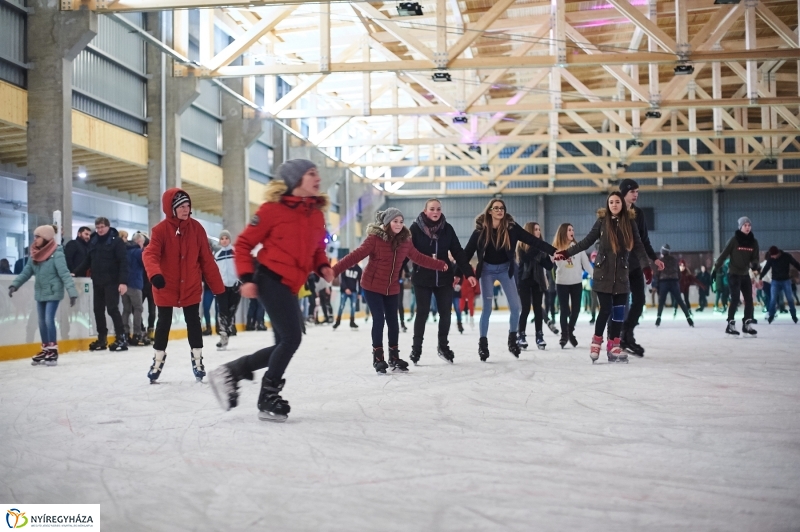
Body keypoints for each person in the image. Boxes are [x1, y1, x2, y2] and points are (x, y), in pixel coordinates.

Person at [209, 159, 334, 422]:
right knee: (292, 338)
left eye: (317, 173)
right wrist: (246, 278)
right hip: (269, 280)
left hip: (290, 285)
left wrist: (322, 266)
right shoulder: (271, 210)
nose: (317, 178)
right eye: (311, 173)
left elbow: (317, 250)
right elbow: (243, 245)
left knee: (283, 344)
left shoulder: (316, 214)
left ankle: (232, 371)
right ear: (296, 179)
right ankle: (268, 395)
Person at [333, 208, 447, 373]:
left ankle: (394, 357)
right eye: (395, 221)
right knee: (379, 319)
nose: (399, 224)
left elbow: (419, 257)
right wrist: (335, 270)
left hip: (392, 287)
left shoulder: (405, 242)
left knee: (393, 322)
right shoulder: (374, 239)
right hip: (372, 286)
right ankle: (378, 357)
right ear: (387, 222)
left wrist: (438, 264)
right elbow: (355, 256)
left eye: (401, 221)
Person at [554, 192, 657, 363]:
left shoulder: (630, 223)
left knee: (618, 313)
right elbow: (586, 242)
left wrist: (646, 267)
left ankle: (614, 345)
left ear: (622, 205)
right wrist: (566, 253)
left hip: (622, 275)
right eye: (611, 202)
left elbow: (639, 247)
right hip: (603, 274)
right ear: (607, 205)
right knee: (606, 309)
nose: (614, 205)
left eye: (617, 202)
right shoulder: (602, 222)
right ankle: (596, 341)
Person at [143, 188, 225, 383]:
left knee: (194, 322)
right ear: (171, 209)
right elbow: (150, 254)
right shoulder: (160, 230)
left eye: (187, 205)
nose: (185, 209)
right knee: (163, 323)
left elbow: (207, 261)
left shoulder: (197, 229)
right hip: (165, 285)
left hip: (190, 286)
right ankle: (157, 361)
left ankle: (197, 360)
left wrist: (219, 289)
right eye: (181, 206)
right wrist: (155, 274)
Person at [464, 198, 557, 361]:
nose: (500, 211)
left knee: (516, 308)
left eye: (502, 208)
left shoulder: (511, 228)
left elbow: (533, 240)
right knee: (487, 309)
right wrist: (459, 272)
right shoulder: (481, 231)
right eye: (496, 208)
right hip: (487, 271)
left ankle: (512, 339)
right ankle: (483, 344)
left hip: (506, 270)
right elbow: (466, 253)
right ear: (490, 211)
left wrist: (553, 251)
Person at [408, 199, 476, 364]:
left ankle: (443, 346)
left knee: (445, 313)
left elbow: (458, 252)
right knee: (422, 313)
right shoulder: (415, 229)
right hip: (422, 278)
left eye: (438, 209)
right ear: (425, 211)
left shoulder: (447, 229)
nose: (435, 212)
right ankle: (416, 349)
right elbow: (406, 252)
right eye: (432, 209)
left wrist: (469, 273)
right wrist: (396, 273)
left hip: (444, 278)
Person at [8, 225, 78, 365]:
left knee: (48, 320)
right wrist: (15, 285)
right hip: (40, 292)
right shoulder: (35, 253)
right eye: (35, 236)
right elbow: (26, 272)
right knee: (40, 321)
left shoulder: (57, 253)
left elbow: (64, 273)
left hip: (53, 291)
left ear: (46, 238)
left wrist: (72, 293)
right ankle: (46, 349)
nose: (35, 239)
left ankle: (53, 350)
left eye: (38, 237)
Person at [617, 179, 664, 357]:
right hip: (619, 267)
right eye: (632, 192)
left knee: (639, 301)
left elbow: (644, 240)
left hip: (635, 265)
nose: (635, 195)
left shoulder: (639, 213)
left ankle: (627, 334)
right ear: (624, 193)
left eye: (637, 191)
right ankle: (618, 337)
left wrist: (654, 259)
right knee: (620, 303)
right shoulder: (615, 211)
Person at [72, 217, 129, 352]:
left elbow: (123, 262)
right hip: (97, 281)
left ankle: (121, 337)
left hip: (112, 281)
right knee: (97, 310)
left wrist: (123, 282)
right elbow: (87, 260)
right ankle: (102, 338)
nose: (100, 230)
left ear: (108, 227)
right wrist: (75, 272)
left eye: (102, 227)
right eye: (97, 227)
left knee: (112, 309)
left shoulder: (117, 242)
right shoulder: (94, 241)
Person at [713, 217, 760, 337]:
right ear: (740, 227)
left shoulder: (753, 242)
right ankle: (730, 324)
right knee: (735, 299)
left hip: (745, 274)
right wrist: (715, 268)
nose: (748, 227)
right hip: (734, 274)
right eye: (745, 225)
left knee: (749, 299)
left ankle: (747, 324)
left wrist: (755, 264)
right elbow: (723, 255)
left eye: (749, 225)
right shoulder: (734, 240)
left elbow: (755, 257)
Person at [552, 223, 593, 349]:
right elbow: (548, 263)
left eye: (573, 230)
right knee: (564, 310)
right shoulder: (555, 248)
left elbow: (586, 264)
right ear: (563, 232)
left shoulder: (578, 247)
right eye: (569, 229)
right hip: (562, 283)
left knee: (576, 310)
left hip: (576, 282)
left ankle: (570, 331)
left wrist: (596, 276)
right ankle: (564, 335)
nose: (572, 232)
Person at [516, 222, 553, 350]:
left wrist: (550, 258)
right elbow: (526, 259)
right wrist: (539, 247)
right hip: (524, 281)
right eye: (536, 229)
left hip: (538, 281)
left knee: (538, 309)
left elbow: (548, 265)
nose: (538, 232)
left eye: (539, 229)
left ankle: (539, 335)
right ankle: (521, 335)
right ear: (530, 232)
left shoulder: (541, 248)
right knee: (525, 309)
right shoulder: (521, 247)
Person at [214, 230, 242, 350]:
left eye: (226, 238)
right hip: (222, 287)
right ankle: (223, 336)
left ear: (230, 240)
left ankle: (228, 331)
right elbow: (214, 272)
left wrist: (240, 281)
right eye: (222, 238)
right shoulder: (217, 256)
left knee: (231, 311)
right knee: (222, 311)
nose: (224, 240)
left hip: (236, 286)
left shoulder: (236, 253)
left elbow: (241, 267)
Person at [653, 245, 694, 327]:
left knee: (661, 302)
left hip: (663, 282)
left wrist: (657, 286)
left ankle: (658, 319)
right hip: (674, 282)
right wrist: (676, 281)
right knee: (680, 301)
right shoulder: (675, 260)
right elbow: (679, 274)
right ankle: (689, 319)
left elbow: (657, 274)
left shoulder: (660, 261)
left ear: (662, 252)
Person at [760, 246, 800, 324]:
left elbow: (795, 263)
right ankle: (771, 315)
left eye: (772, 255)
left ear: (777, 253)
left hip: (786, 280)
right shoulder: (771, 258)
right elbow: (766, 268)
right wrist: (761, 277)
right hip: (775, 281)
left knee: (790, 299)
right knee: (773, 299)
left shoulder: (786, 256)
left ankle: (794, 315)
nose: (771, 257)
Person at [122, 233, 146, 346]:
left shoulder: (125, 250)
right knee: (138, 308)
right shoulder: (137, 252)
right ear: (138, 242)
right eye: (142, 242)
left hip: (124, 284)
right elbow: (145, 264)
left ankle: (125, 334)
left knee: (126, 310)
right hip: (135, 283)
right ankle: (137, 334)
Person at [333, 262, 362, 330]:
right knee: (341, 306)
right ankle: (338, 321)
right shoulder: (345, 267)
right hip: (344, 291)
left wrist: (360, 293)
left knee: (353, 307)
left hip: (353, 291)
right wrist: (345, 288)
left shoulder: (358, 269)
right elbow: (342, 280)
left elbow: (360, 281)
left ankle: (352, 322)